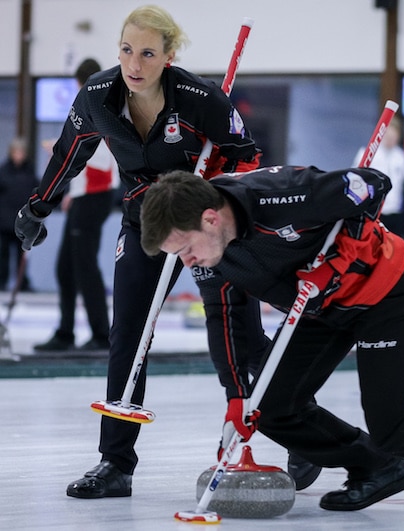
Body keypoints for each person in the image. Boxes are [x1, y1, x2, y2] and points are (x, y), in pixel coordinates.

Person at [139, 166, 404, 519]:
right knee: (267, 408)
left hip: (385, 292)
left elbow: (373, 185)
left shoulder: (282, 195)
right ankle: (376, 467)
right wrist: (236, 397)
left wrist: (337, 262)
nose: (187, 261)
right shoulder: (213, 258)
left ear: (210, 218)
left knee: (394, 425)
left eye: (186, 248)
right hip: (318, 308)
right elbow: (225, 319)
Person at [13, 4, 276, 499]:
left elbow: (251, 160)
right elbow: (70, 151)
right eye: (127, 50)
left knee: (242, 334)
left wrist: (222, 201)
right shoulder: (98, 96)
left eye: (148, 53)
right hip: (147, 221)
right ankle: (115, 463)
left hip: (205, 222)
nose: (135, 63)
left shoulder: (202, 100)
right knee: (128, 332)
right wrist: (37, 208)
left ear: (169, 56)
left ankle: (298, 435)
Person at [34, 59, 119, 352]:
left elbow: (102, 157)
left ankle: (99, 333)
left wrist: (59, 148)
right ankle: (66, 331)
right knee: (66, 268)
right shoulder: (97, 104)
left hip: (95, 196)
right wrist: (74, 192)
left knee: (83, 266)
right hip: (87, 196)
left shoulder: (99, 105)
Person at [352, 117, 404, 242]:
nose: (390, 140)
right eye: (388, 136)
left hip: (396, 214)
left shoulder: (403, 158)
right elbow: (355, 182)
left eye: (393, 137)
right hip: (374, 213)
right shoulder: (366, 154)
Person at [0, 137, 38, 292]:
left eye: (22, 152)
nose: (19, 155)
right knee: (3, 254)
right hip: (4, 220)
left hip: (22, 221)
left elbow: (35, 192)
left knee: (21, 254)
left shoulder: (29, 172)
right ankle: (1, 281)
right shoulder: (3, 172)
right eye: (16, 151)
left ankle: (21, 283)